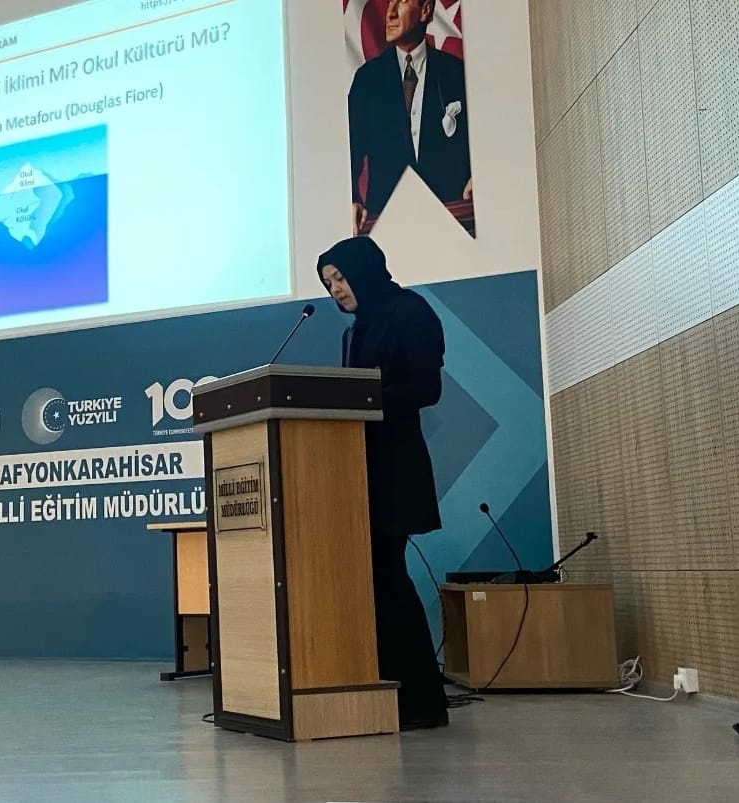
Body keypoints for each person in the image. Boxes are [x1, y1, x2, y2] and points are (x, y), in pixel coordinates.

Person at [317, 235, 449, 730]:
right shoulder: (355, 331)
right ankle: (393, 690)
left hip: (394, 469)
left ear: (365, 270)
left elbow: (427, 388)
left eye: (341, 277)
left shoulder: (409, 312)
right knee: (375, 580)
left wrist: (363, 400)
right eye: (329, 283)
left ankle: (422, 702)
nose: (336, 289)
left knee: (388, 579)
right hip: (358, 470)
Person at [349, 0, 472, 234]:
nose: (390, 13)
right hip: (385, 223)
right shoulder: (367, 80)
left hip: (452, 222)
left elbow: (481, 139)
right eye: (390, 2)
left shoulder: (456, 72)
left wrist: (479, 176)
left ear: (425, 10)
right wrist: (351, 199)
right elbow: (350, 151)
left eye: (402, 1)